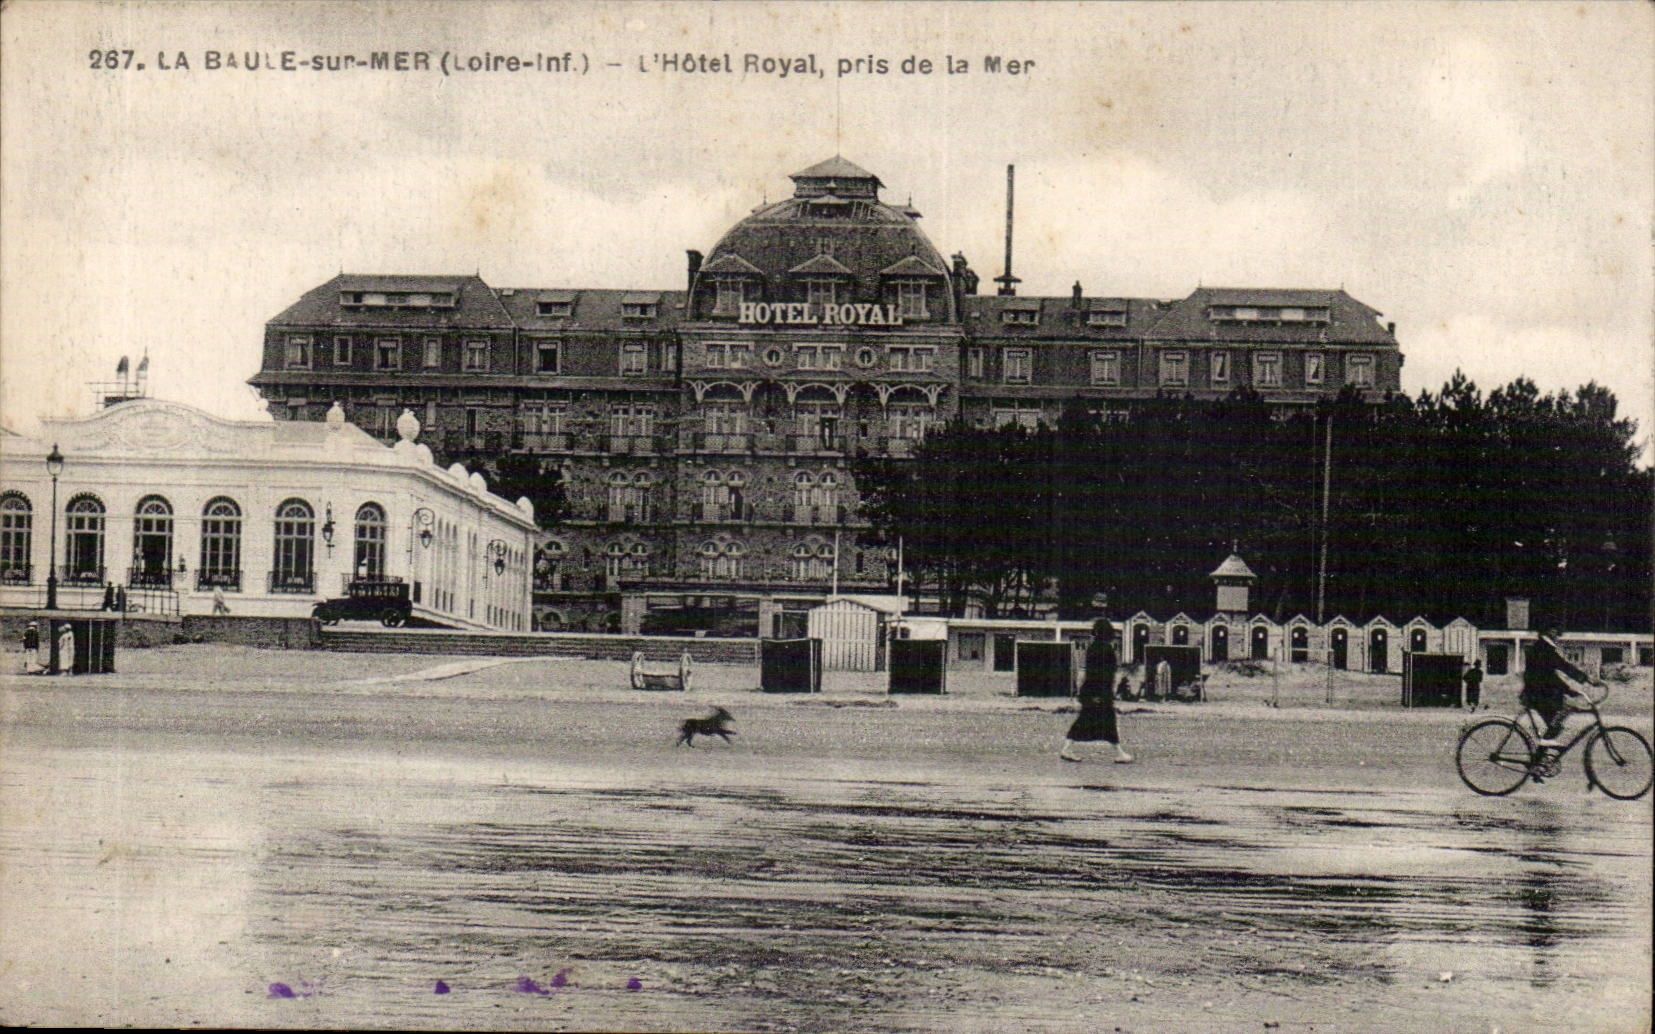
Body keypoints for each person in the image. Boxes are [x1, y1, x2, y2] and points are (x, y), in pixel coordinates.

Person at [1060, 620, 1133, 764]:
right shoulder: (1105, 649)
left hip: (1092, 691)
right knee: (1106, 721)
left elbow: (1091, 673)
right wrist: (1100, 694)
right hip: (1099, 692)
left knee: (1087, 720)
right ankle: (1119, 753)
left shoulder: (1093, 648)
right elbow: (1102, 674)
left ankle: (1067, 748)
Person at [1521, 629, 1596, 753]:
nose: (1557, 634)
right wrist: (1583, 680)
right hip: (1539, 693)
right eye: (1554, 630)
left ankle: (1539, 760)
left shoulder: (1544, 646)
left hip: (1538, 691)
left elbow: (1552, 673)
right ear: (1548, 631)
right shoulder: (1544, 648)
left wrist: (1571, 688)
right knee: (1564, 711)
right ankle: (1540, 756)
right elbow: (1561, 667)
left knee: (1554, 726)